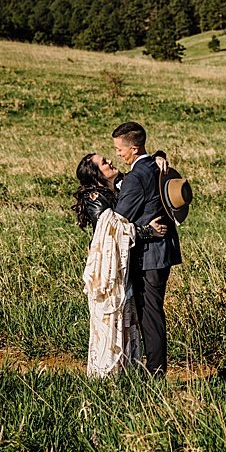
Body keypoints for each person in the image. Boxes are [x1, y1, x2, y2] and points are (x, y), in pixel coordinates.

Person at [73, 152, 168, 377]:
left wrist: (158, 156)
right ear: (96, 175)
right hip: (107, 270)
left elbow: (142, 167)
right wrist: (148, 232)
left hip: (119, 264)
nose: (110, 162)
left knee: (125, 316)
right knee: (109, 317)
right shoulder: (95, 197)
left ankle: (124, 372)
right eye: (104, 163)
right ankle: (106, 375)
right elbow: (111, 230)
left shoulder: (116, 187)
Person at [110, 121, 181, 377]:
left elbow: (118, 219)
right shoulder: (160, 166)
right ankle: (153, 367)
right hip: (164, 252)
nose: (118, 154)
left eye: (120, 149)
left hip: (148, 256)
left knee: (149, 314)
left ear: (134, 148)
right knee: (153, 311)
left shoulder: (136, 178)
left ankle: (155, 372)